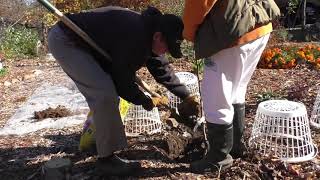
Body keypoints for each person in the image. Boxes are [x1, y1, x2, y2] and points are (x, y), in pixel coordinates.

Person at [48, 6, 199, 176]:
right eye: (168, 47)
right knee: (104, 95)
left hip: (90, 44)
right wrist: (145, 100)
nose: (166, 52)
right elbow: (122, 81)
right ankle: (107, 161)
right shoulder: (135, 37)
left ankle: (99, 141)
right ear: (158, 37)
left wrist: (186, 96)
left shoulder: (152, 30)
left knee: (105, 93)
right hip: (68, 40)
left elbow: (162, 69)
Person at [182, 0, 281, 173]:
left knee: (215, 96)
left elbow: (198, 4)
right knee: (236, 89)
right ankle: (235, 146)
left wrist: (189, 32)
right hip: (259, 24)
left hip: (232, 32)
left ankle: (219, 158)